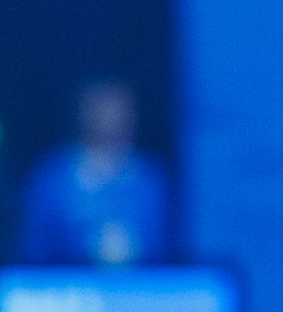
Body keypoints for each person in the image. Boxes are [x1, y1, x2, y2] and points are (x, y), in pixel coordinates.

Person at [16, 81, 170, 269]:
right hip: (66, 287)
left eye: (120, 111)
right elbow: (34, 247)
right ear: (84, 114)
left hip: (138, 288)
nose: (112, 119)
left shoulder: (149, 178)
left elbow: (162, 245)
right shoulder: (53, 177)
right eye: (103, 110)